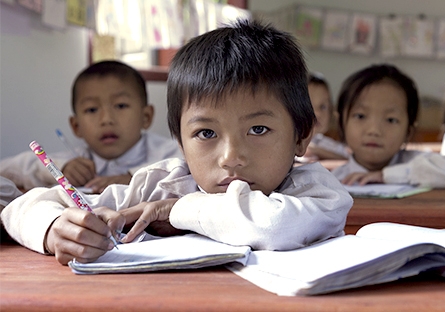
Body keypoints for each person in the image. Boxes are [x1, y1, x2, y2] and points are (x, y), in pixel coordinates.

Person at [1, 20, 353, 265]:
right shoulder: (165, 183)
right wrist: (55, 230)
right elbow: (21, 206)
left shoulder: (317, 191)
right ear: (180, 142)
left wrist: (175, 210)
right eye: (206, 134)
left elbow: (274, 225)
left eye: (258, 130)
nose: (231, 158)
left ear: (301, 136)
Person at [0, 60, 182, 193]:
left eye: (120, 106)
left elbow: (189, 167)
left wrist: (137, 178)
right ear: (76, 126)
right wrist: (61, 169)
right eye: (92, 109)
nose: (106, 119)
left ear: (146, 117)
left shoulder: (169, 152)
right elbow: (7, 168)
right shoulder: (76, 160)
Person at [332, 64, 445, 188]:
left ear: (409, 131)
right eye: (360, 116)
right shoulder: (333, 180)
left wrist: (387, 176)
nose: (374, 131)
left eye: (390, 120)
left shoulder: (418, 163)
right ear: (341, 123)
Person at [298, 72, 350, 162]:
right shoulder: (289, 144)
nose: (317, 113)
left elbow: (350, 162)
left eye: (323, 107)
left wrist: (317, 151)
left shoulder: (331, 145)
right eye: (310, 105)